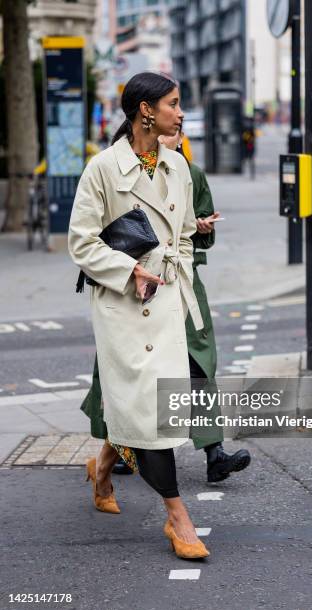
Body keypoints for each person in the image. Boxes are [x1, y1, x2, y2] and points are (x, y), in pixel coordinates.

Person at [68, 72, 209, 559]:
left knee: (151, 408)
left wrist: (180, 268)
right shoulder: (103, 169)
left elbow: (185, 234)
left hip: (166, 301)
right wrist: (130, 271)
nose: (180, 111)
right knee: (146, 407)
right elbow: (81, 243)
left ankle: (103, 467)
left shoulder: (178, 167)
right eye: (173, 103)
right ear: (146, 111)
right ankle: (178, 516)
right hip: (125, 306)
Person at [81, 130, 251, 482]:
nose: (177, 133)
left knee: (198, 363)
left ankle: (214, 451)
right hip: (131, 286)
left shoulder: (189, 172)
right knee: (129, 373)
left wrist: (199, 231)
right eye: (170, 124)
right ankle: (123, 450)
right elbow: (90, 237)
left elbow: (197, 231)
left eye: (180, 127)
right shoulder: (110, 169)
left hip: (180, 285)